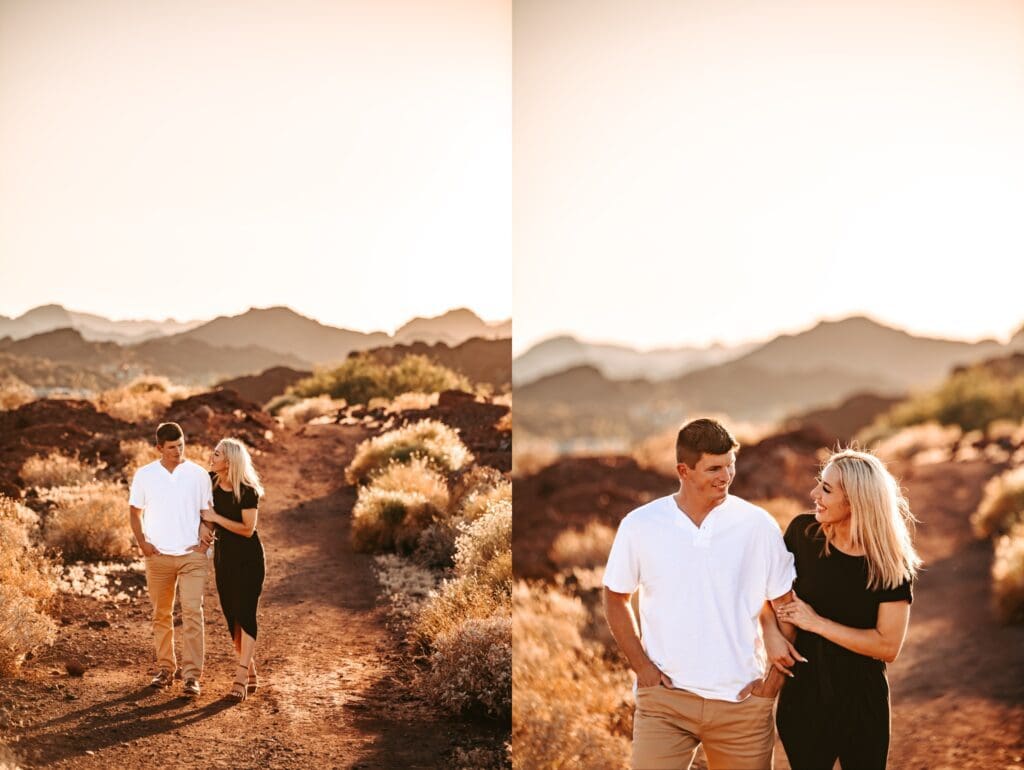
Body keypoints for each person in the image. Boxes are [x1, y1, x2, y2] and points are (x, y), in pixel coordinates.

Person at [602, 418, 797, 770]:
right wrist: (642, 669)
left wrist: (771, 685)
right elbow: (614, 597)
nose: (725, 476)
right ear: (684, 470)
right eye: (714, 468)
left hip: (742, 705)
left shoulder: (757, 525)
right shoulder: (640, 525)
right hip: (665, 704)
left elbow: (785, 604)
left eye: (730, 466)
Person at [769, 448, 921, 770]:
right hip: (803, 693)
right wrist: (771, 636)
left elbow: (888, 646)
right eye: (818, 484)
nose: (814, 494)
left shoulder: (890, 564)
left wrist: (817, 623)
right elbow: (767, 595)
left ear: (856, 501)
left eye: (826, 489)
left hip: (862, 699)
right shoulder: (802, 534)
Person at [129, 422, 215, 697]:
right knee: (161, 615)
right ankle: (166, 670)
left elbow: (208, 512)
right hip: (158, 557)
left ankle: (191, 677)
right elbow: (134, 511)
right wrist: (142, 542)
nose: (177, 451)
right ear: (158, 448)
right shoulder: (145, 475)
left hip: (192, 556)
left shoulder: (198, 475)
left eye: (180, 446)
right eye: (171, 448)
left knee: (192, 613)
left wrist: (205, 539)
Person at [200, 437, 266, 702]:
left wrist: (215, 518)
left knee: (245, 612)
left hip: (249, 558)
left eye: (216, 454)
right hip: (224, 557)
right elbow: (205, 516)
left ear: (229, 461)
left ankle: (240, 676)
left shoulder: (247, 490)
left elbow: (247, 529)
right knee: (231, 615)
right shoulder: (210, 482)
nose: (211, 457)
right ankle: (249, 668)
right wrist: (206, 531)